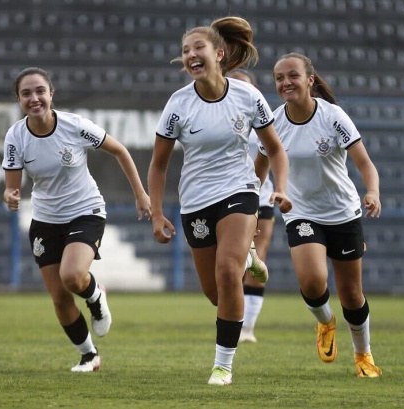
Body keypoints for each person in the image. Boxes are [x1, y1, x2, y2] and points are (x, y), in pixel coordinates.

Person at [148, 17, 291, 386]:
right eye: (185, 51)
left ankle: (223, 365)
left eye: (199, 48)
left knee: (229, 275)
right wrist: (157, 213)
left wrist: (282, 188)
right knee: (216, 294)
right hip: (195, 202)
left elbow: (274, 148)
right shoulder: (178, 104)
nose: (191, 55)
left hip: (239, 191)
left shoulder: (248, 96)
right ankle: (247, 254)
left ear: (219, 53)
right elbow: (159, 164)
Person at [2, 67, 151, 373]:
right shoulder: (15, 136)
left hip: (85, 210)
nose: (34, 98)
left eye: (40, 91)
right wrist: (11, 195)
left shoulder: (75, 126)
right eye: (26, 93)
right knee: (59, 296)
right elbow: (12, 185)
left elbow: (120, 151)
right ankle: (89, 356)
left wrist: (140, 194)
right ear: (18, 99)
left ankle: (95, 295)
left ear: (51, 93)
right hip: (44, 219)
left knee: (72, 277)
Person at [256, 52, 382, 377]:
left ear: (309, 80)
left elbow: (365, 164)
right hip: (301, 213)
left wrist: (372, 192)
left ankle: (363, 355)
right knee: (313, 282)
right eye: (280, 78)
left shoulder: (333, 116)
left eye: (293, 76)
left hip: (343, 212)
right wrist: (251, 203)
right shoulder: (273, 122)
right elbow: (258, 171)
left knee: (352, 295)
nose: (286, 83)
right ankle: (326, 322)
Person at [227, 69, 275, 344]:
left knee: (259, 258)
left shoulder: (266, 120)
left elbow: (280, 154)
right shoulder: (218, 117)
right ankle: (233, 317)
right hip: (224, 197)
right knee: (229, 264)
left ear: (254, 89)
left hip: (261, 196)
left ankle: (247, 328)